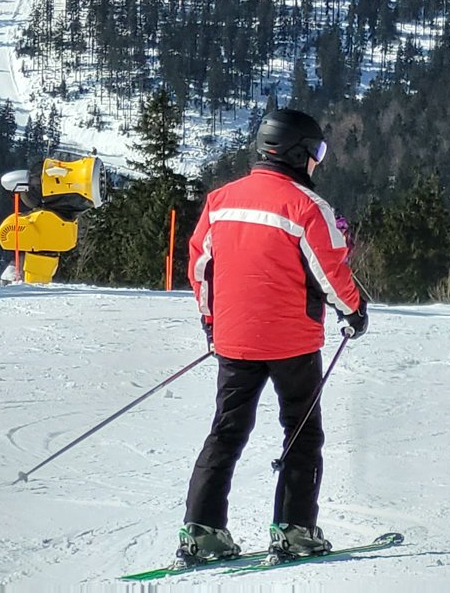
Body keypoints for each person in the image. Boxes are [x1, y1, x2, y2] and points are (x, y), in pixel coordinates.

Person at [179, 108, 366, 566]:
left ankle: (202, 532)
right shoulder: (306, 206)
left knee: (226, 431)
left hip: (234, 339)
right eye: (317, 152)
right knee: (301, 434)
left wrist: (211, 319)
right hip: (292, 343)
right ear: (298, 152)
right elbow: (330, 271)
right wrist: (354, 309)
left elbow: (200, 267)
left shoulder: (220, 200)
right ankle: (294, 530)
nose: (318, 162)